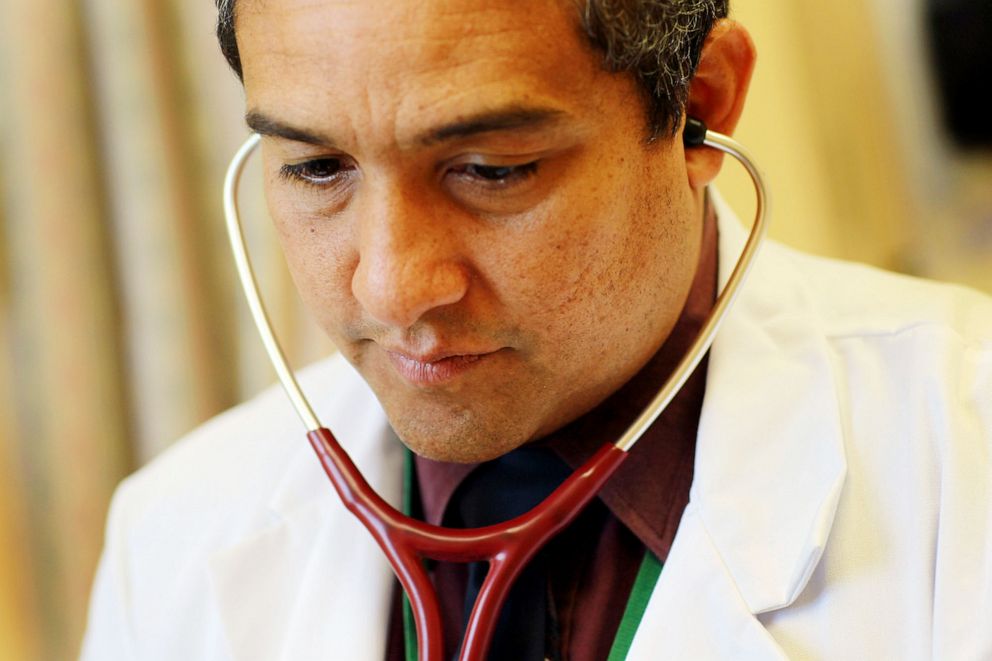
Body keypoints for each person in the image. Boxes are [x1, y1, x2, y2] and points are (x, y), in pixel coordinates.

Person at [81, 1, 992, 659]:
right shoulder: (172, 538)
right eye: (317, 168)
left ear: (699, 104)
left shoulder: (964, 453)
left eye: (491, 169)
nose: (396, 286)